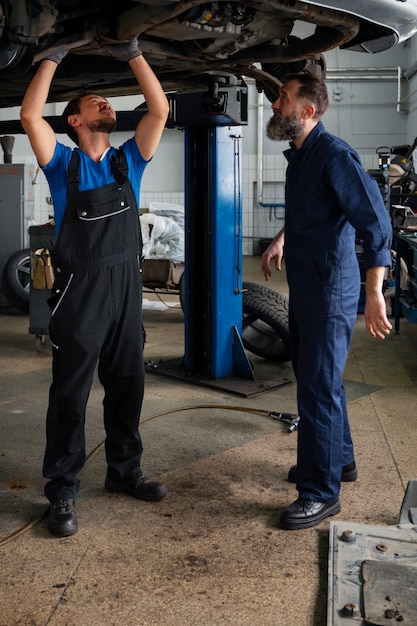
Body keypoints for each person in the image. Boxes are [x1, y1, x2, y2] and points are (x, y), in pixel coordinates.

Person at [20, 40, 170, 537]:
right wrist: (54, 56)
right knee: (71, 394)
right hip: (79, 294)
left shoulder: (130, 161)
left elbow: (160, 107)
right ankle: (62, 490)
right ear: (76, 122)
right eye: (94, 104)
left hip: (126, 290)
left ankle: (124, 472)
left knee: (128, 386)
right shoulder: (63, 166)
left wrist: (132, 53)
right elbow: (29, 115)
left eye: (107, 101)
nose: (106, 104)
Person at [261, 73, 392, 530]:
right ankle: (340, 461)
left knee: (317, 387)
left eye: (283, 98)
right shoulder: (300, 155)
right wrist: (282, 237)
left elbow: (375, 224)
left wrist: (374, 292)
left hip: (331, 289)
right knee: (317, 377)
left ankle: (320, 493)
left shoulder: (335, 155)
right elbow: (310, 211)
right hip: (306, 283)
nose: (275, 104)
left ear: (308, 111)